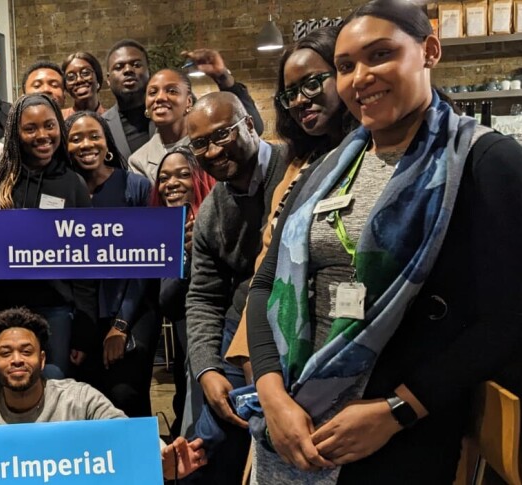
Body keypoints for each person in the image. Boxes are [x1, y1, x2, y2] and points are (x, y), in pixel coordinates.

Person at [245, 1, 522, 482]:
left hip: (398, 436)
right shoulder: (326, 170)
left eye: (380, 55)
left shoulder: (488, 163)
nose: (360, 77)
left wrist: (397, 410)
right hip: (292, 422)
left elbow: (513, 318)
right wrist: (270, 392)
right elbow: (264, 284)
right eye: (345, 66)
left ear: (429, 50)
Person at [0, 308, 210, 485]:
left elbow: (124, 443)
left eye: (26, 351)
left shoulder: (81, 399)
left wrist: (157, 465)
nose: (17, 359)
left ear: (43, 359)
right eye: (6, 353)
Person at [224, 26, 354, 375]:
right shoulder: (296, 161)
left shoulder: (368, 156)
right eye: (290, 93)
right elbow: (269, 258)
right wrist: (252, 353)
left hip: (336, 340)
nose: (299, 100)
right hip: (273, 334)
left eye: (312, 83)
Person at [183, 91, 288, 483]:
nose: (211, 150)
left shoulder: (298, 170)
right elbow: (203, 296)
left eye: (221, 135)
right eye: (199, 144)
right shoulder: (212, 209)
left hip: (293, 324)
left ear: (249, 124)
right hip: (238, 327)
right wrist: (206, 368)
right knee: (207, 443)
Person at [0, 93, 98, 381]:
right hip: (2, 307)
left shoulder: (72, 182)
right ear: (16, 132)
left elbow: (86, 264)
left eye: (50, 126)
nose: (42, 135)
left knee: (54, 387)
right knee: (7, 389)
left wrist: (83, 330)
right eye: (31, 128)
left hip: (56, 309)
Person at [63, 110, 155, 418]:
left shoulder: (137, 187)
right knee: (84, 404)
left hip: (128, 312)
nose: (86, 144)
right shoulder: (60, 191)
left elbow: (146, 262)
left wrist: (120, 325)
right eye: (75, 139)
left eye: (94, 136)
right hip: (79, 320)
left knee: (125, 397)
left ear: (107, 143)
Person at [143, 146, 216, 439]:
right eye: (164, 178)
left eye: (183, 174)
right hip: (187, 339)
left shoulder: (215, 217)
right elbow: (167, 300)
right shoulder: (161, 232)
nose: (171, 183)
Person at [101, 41, 263, 162]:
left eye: (136, 64)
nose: (128, 70)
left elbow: (253, 128)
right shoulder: (102, 126)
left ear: (148, 72)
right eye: (119, 67)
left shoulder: (184, 110)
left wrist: (222, 77)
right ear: (108, 79)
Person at [127, 68, 195, 183]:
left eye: (172, 91)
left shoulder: (207, 145)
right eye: (153, 93)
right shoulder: (138, 161)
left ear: (188, 102)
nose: (160, 98)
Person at [61, 51, 107, 118]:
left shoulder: (113, 118)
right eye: (71, 77)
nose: (79, 80)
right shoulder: (60, 119)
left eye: (85, 73)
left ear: (97, 79)